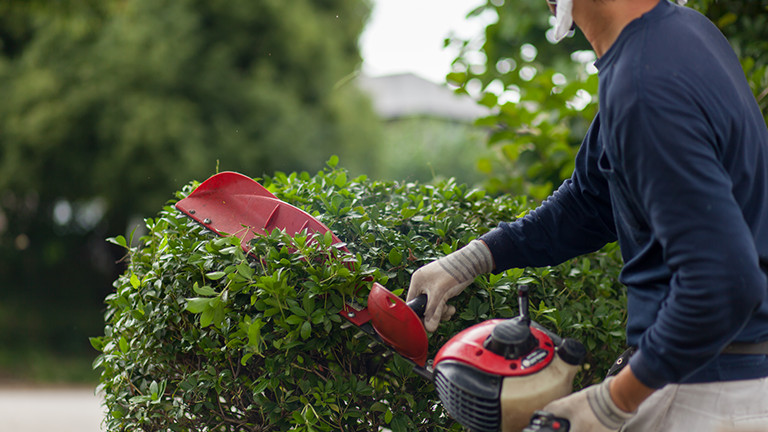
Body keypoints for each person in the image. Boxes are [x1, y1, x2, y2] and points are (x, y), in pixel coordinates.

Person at [405, 0, 768, 431]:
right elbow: (590, 201)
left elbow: (726, 283)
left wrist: (613, 401)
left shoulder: (644, 83)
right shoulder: (677, 37)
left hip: (710, 397)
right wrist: (472, 259)